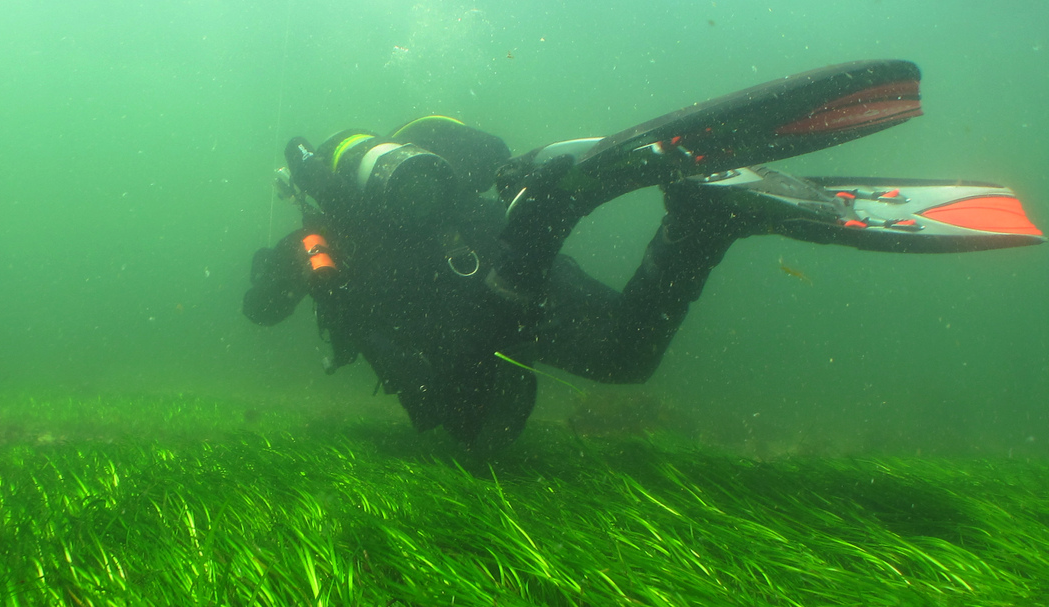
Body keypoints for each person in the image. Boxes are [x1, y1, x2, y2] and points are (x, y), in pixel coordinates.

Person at [243, 62, 1044, 453]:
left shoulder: (315, 238)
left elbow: (261, 309)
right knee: (625, 354)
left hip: (483, 304)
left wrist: (286, 261)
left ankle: (555, 211)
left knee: (476, 404)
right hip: (501, 245)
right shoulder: (412, 194)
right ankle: (703, 224)